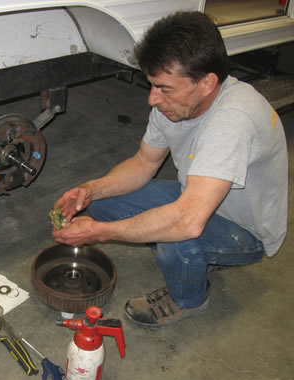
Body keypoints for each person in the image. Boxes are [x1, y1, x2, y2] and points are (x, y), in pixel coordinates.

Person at [51, 11, 288, 328]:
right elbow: (143, 163)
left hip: (245, 231)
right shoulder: (175, 103)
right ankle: (187, 251)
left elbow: (188, 222)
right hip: (195, 198)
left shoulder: (233, 120)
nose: (152, 99)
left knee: (179, 238)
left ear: (206, 83)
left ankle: (189, 297)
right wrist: (90, 190)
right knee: (101, 203)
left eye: (163, 88)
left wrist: (101, 233)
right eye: (151, 85)